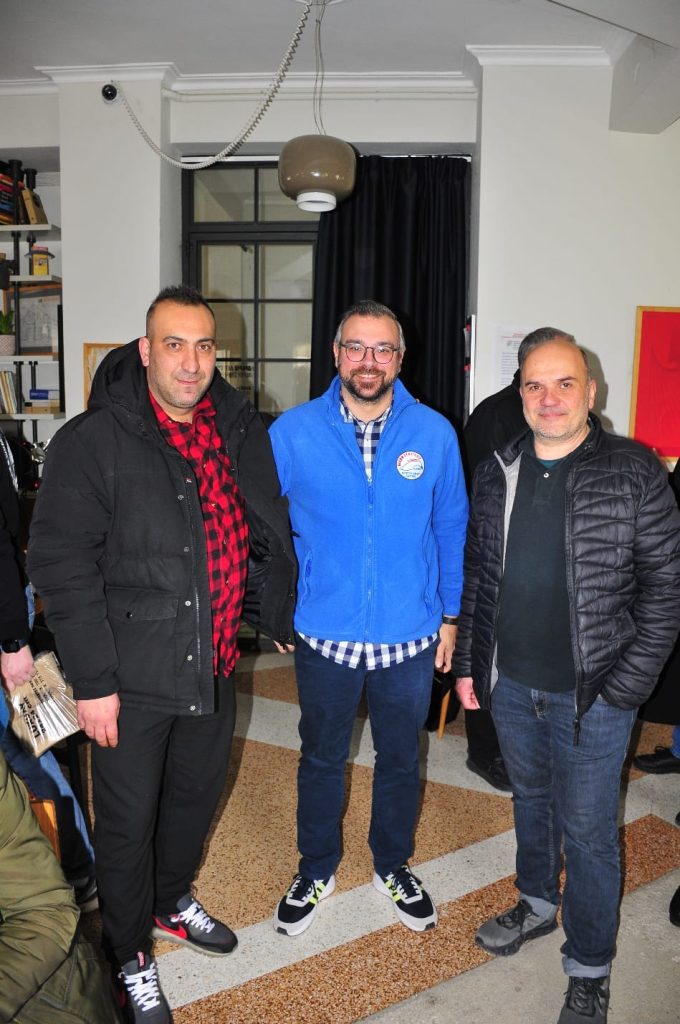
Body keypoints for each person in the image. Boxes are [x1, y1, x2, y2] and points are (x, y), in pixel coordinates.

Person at [28, 285, 297, 1024]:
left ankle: (171, 898)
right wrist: (93, 682)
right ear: (146, 351)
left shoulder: (233, 429)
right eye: (174, 345)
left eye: (204, 346)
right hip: (129, 675)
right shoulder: (93, 441)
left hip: (212, 663)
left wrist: (267, 609)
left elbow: (253, 530)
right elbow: (61, 567)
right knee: (126, 825)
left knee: (191, 801)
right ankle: (128, 955)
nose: (190, 362)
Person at [453, 327, 680, 1024]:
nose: (548, 398)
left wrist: (623, 690)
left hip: (595, 695)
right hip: (512, 685)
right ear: (519, 394)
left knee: (588, 833)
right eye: (535, 385)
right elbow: (478, 575)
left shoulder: (635, 470)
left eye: (564, 383)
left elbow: (666, 593)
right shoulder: (496, 470)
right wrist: (471, 666)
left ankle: (589, 966)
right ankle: (536, 902)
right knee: (531, 801)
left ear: (591, 391)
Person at [269, 299, 468, 937]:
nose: (368, 361)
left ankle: (392, 864)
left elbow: (451, 528)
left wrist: (450, 615)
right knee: (321, 757)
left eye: (383, 349)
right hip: (324, 633)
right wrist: (277, 607)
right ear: (336, 354)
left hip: (409, 636)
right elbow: (263, 529)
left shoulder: (434, 433)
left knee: (401, 758)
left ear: (400, 359)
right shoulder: (293, 432)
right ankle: (316, 867)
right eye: (356, 346)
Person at [0, 429, 97, 912]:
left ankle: (80, 866)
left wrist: (12, 641)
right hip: (11, 607)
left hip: (6, 619)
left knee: (23, 748)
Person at [0, 749, 119, 1023]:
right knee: (26, 753)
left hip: (34, 919)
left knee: (24, 751)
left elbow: (41, 908)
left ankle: (82, 870)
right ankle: (82, 871)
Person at [459, 368, 526, 792]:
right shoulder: (502, 413)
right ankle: (485, 753)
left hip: (506, 553)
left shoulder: (509, 407)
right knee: (484, 656)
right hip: (490, 551)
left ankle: (501, 748)